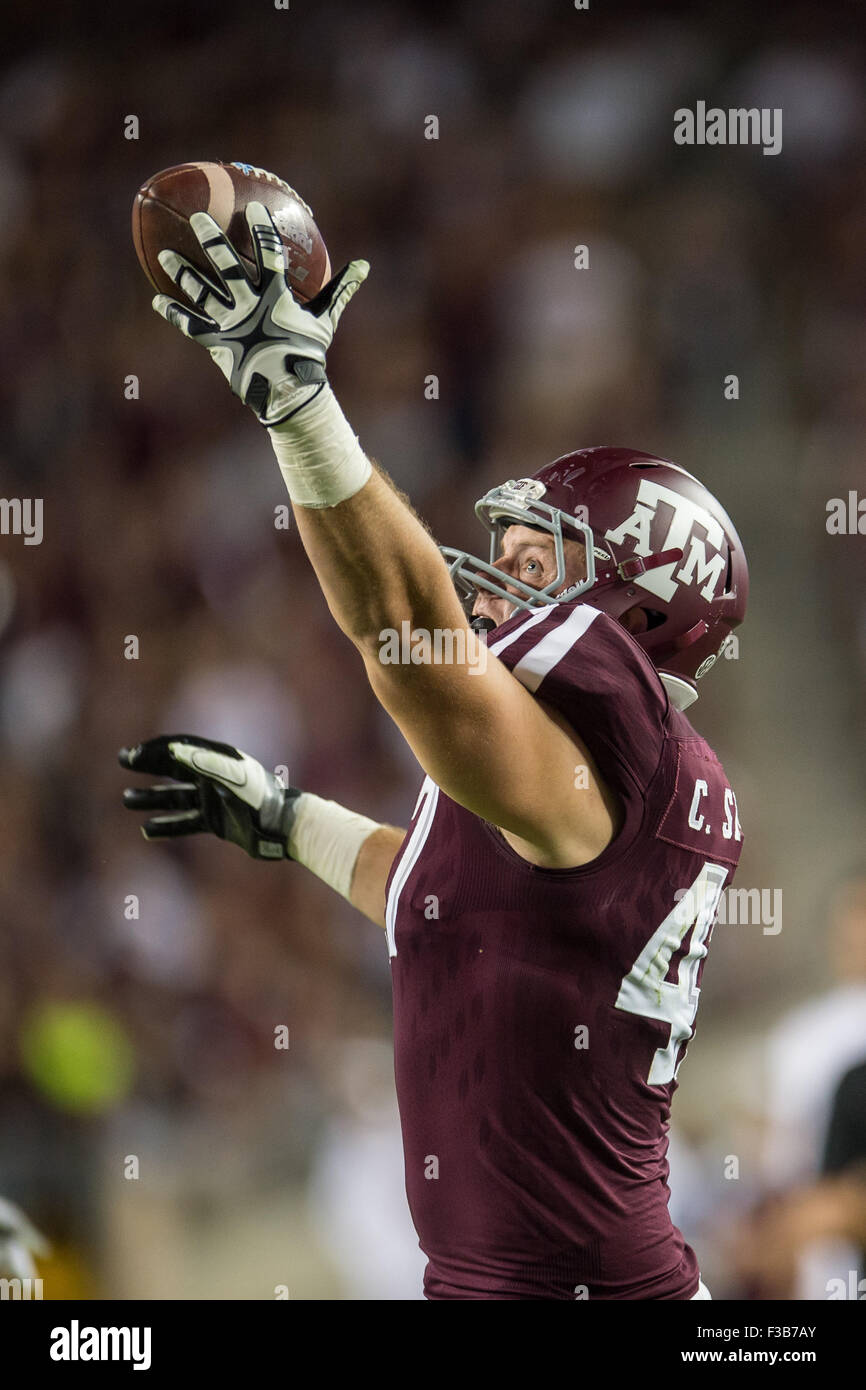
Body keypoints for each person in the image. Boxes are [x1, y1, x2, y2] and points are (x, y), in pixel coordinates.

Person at [120, 203, 748, 1299]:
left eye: (533, 560)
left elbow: (407, 645)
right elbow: (441, 899)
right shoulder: (574, 789)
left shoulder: (621, 751)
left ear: (633, 611)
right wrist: (285, 821)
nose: (496, 579)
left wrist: (298, 401)